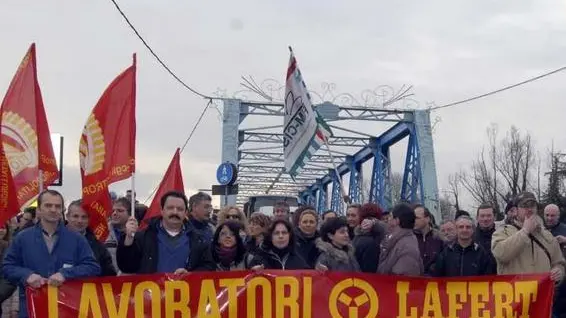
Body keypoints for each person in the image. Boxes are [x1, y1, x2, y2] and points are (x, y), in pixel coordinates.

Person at [3, 190, 100, 318]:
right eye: (48, 205)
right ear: (39, 210)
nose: (53, 210)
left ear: (62, 210)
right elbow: (7, 267)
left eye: (57, 206)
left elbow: (93, 267)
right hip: (31, 308)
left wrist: (65, 274)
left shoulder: (77, 239)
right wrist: (27, 275)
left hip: (66, 309)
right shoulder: (23, 238)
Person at [117, 191, 215, 274]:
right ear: (162, 211)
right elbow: (127, 267)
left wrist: (190, 276)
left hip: (185, 295)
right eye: (170, 208)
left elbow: (208, 267)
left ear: (185, 213)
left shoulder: (199, 240)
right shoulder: (143, 237)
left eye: (180, 209)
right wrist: (129, 239)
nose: (175, 212)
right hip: (151, 295)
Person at [491, 192, 565, 279]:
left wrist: (559, 271)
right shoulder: (503, 232)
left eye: (532, 205)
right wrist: (525, 231)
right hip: (515, 291)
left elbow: (559, 262)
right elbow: (501, 254)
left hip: (542, 291)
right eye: (524, 206)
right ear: (515, 211)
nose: (529, 209)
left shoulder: (547, 235)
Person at [66, 200, 117, 277]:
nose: (80, 221)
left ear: (89, 219)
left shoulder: (99, 246)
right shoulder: (54, 240)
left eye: (84, 217)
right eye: (75, 216)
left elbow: (110, 276)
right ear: (67, 217)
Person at [377, 203, 423, 276]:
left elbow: (403, 281)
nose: (388, 219)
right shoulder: (397, 240)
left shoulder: (407, 247)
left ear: (397, 220)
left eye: (390, 216)